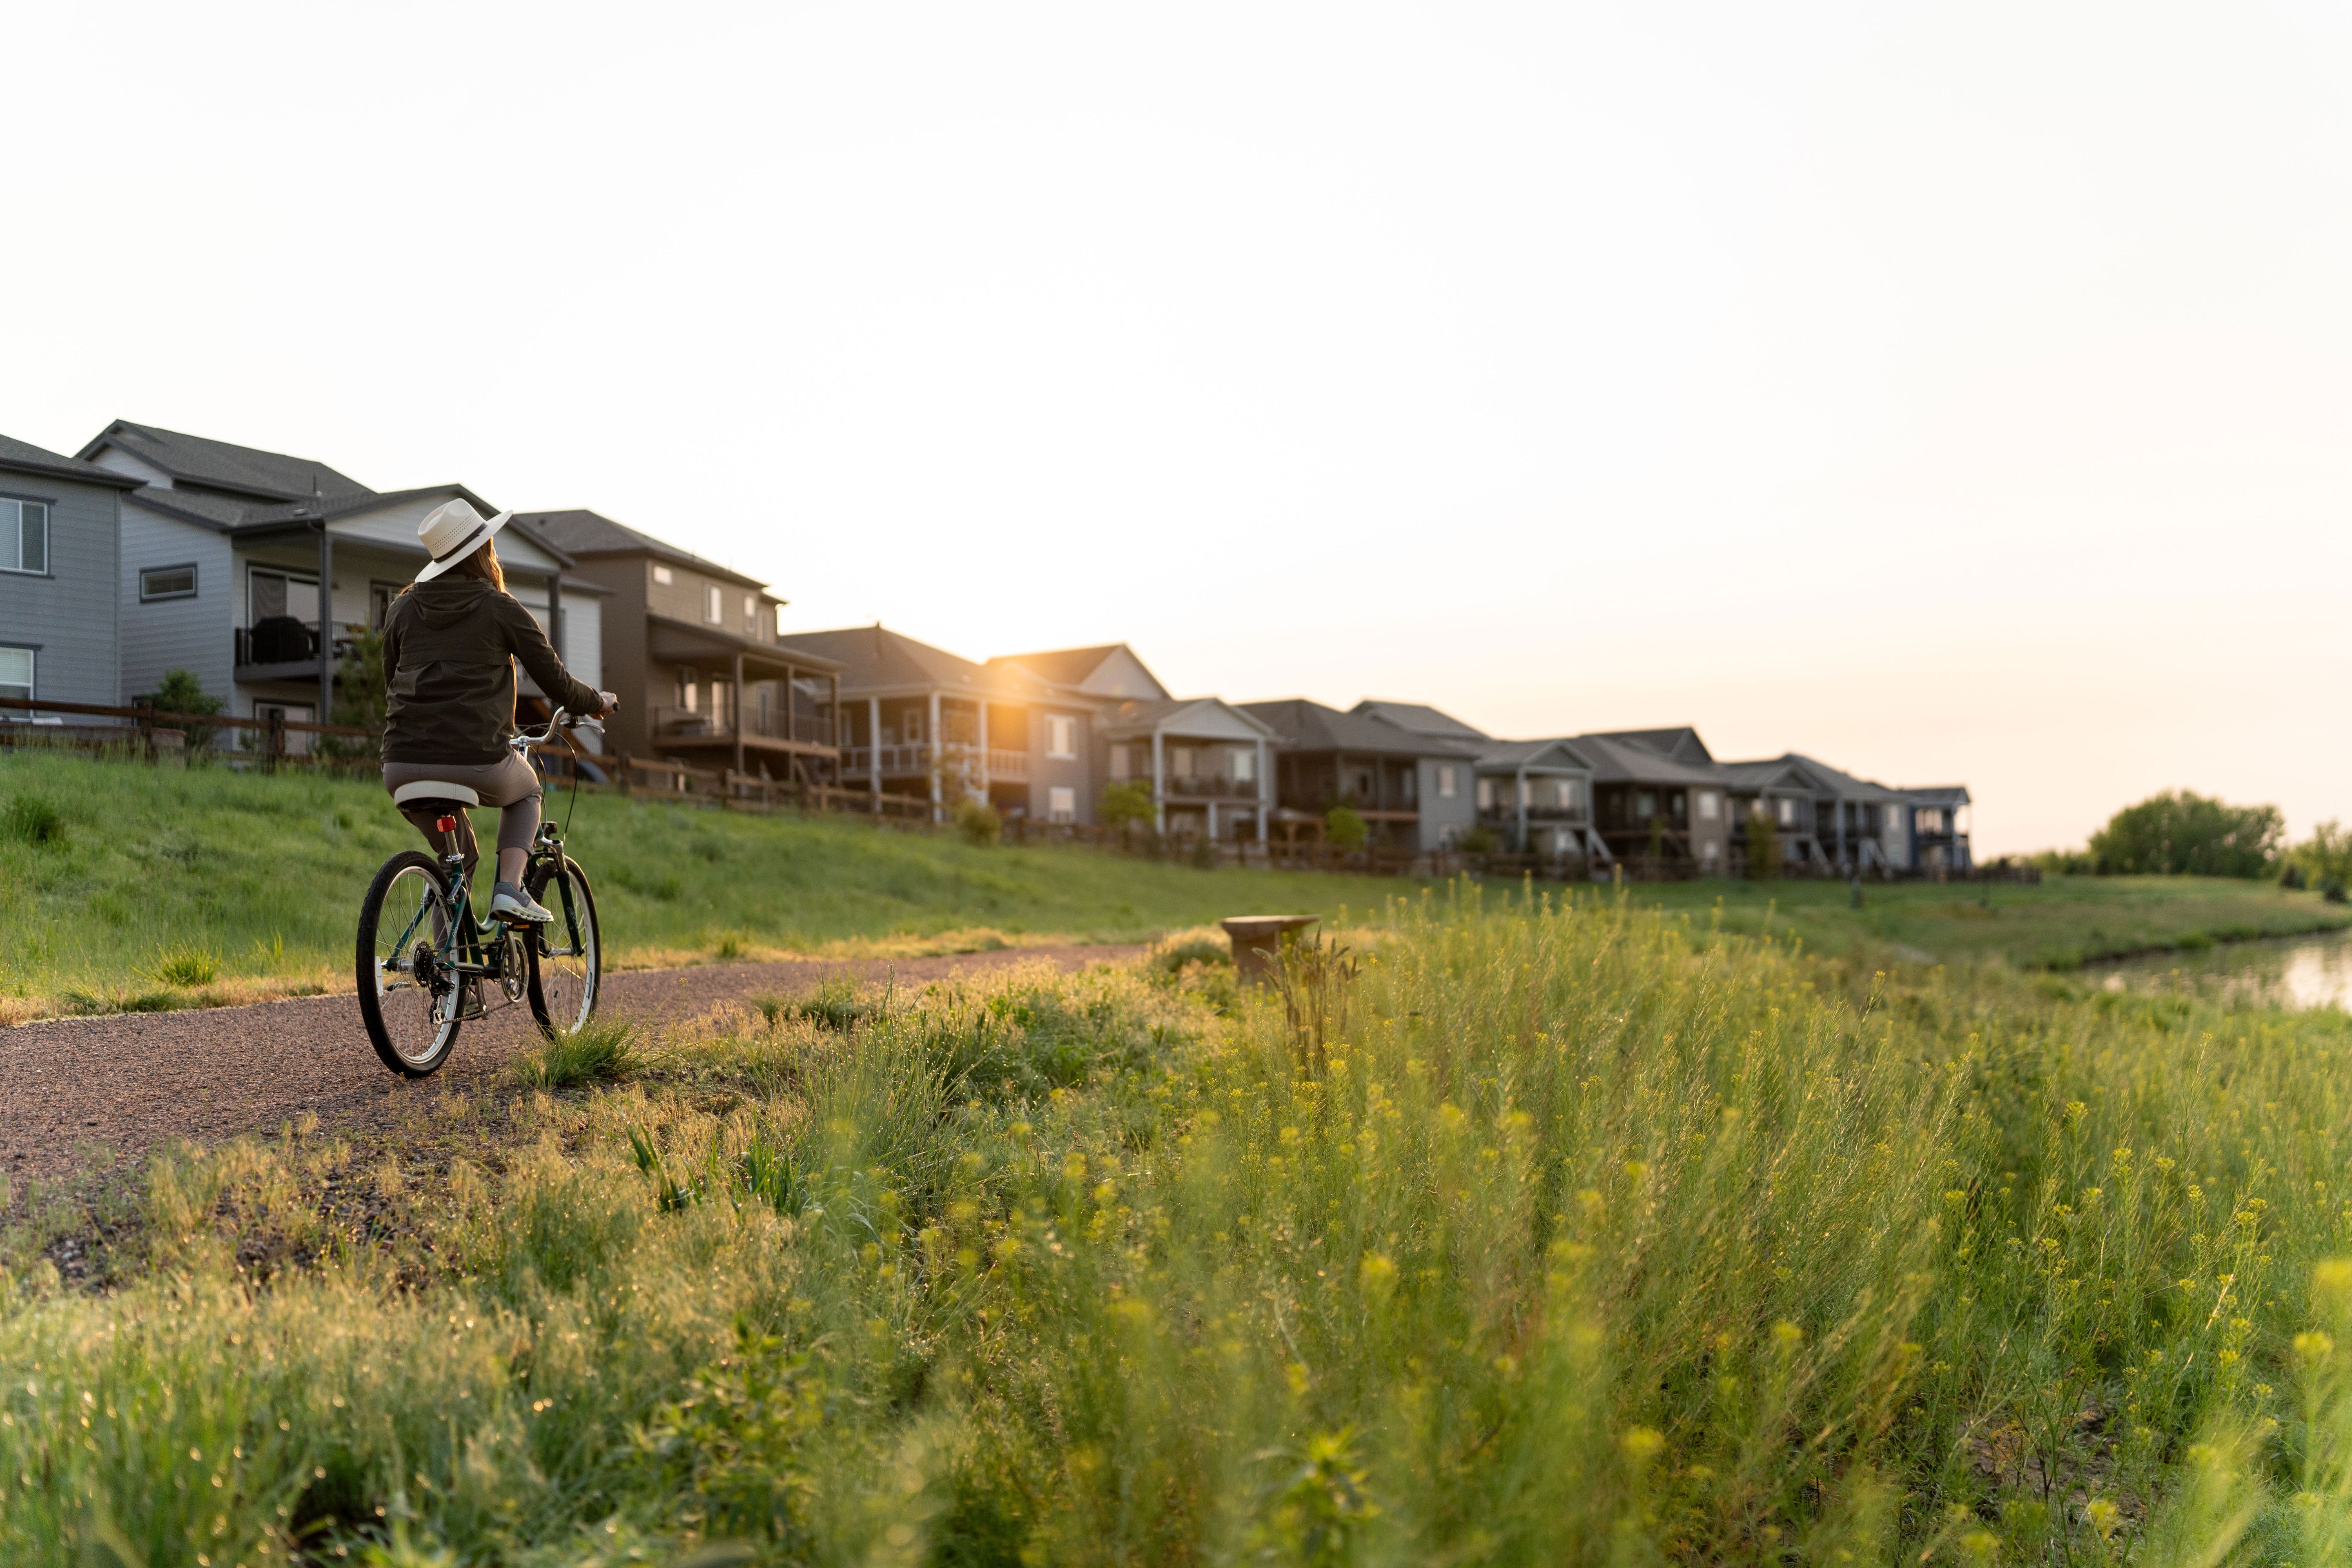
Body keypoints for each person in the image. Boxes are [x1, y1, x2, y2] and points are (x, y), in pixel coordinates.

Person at [380, 498, 616, 923]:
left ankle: (449, 983)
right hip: (475, 759)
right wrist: (598, 702)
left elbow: (389, 681)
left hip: (399, 765)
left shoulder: (402, 608)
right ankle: (509, 889)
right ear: (483, 551)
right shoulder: (500, 608)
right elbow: (557, 683)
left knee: (457, 866)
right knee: (527, 791)